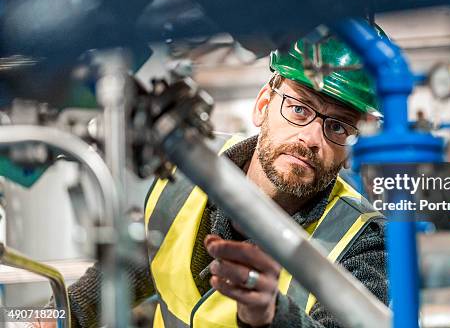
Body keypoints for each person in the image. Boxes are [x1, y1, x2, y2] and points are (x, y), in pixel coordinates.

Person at [39, 32, 388, 327]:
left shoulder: (363, 240)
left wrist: (273, 316)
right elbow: (135, 270)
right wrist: (57, 316)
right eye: (299, 108)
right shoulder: (189, 167)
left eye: (338, 126)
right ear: (264, 104)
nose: (312, 138)